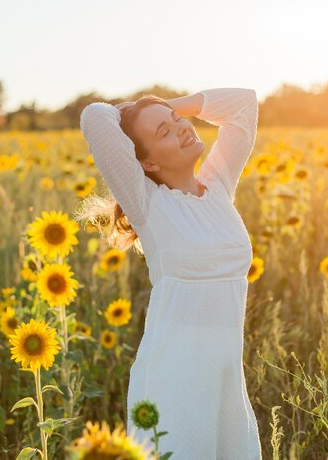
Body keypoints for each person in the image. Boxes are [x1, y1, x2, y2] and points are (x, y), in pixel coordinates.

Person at [77, 87, 262, 460]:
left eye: (178, 121)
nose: (180, 128)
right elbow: (95, 118)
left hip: (225, 380)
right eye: (163, 133)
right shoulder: (148, 205)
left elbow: (244, 105)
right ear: (148, 164)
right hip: (174, 379)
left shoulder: (217, 188)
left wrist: (163, 109)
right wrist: (139, 113)